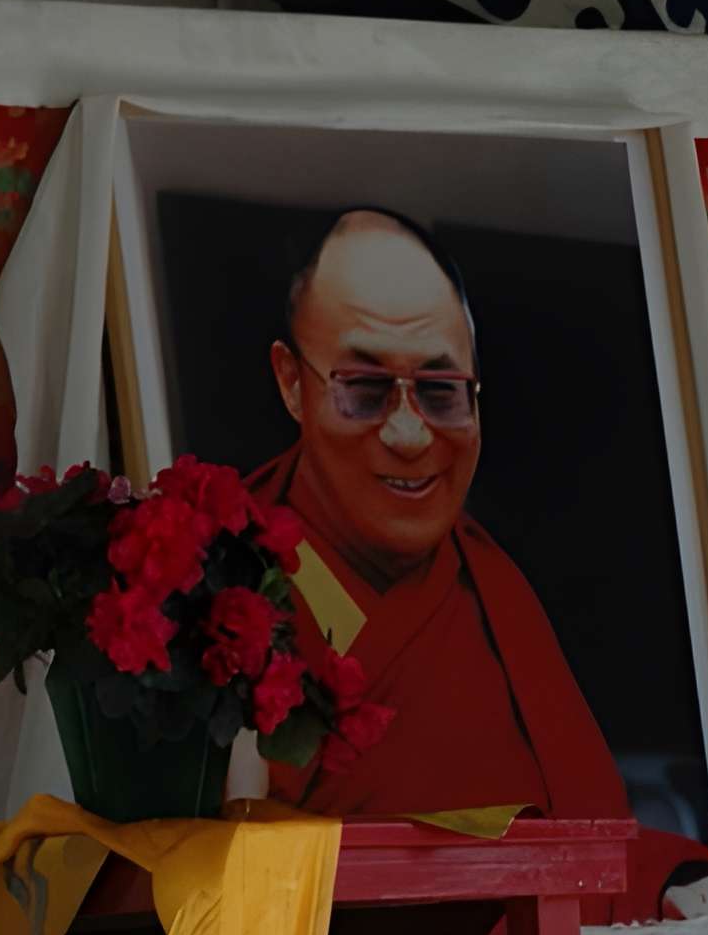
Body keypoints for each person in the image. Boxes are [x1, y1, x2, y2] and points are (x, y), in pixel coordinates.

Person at [246, 208, 629, 820]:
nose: (408, 434)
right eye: (365, 389)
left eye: (441, 391)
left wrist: (676, 880)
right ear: (292, 383)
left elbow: (591, 840)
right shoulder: (209, 572)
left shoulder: (495, 596)